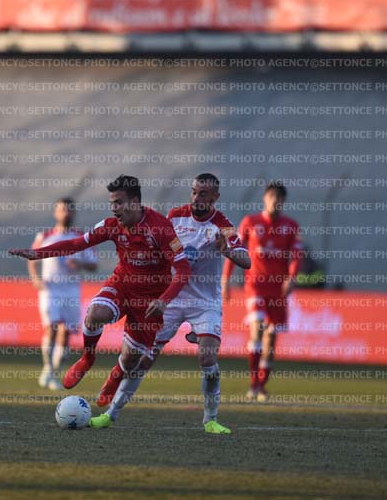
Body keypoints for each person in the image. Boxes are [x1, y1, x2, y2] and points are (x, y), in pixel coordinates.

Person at [10, 175, 191, 429]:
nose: (114, 208)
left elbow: (183, 270)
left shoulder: (160, 228)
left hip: (150, 302)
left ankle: (115, 375)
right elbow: (75, 244)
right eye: (112, 203)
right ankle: (87, 358)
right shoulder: (111, 225)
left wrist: (163, 301)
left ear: (135, 202)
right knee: (95, 313)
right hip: (122, 285)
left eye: (119, 203)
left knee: (130, 360)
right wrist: (38, 254)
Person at [96, 173, 251, 434]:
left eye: (203, 194)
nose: (196, 198)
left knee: (208, 357)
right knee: (143, 360)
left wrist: (226, 250)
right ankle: (110, 415)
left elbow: (246, 261)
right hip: (171, 297)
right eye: (194, 192)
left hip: (204, 302)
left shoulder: (223, 226)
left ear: (215, 197)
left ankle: (210, 420)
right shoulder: (175, 216)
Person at [220, 181, 302, 402]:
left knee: (271, 337)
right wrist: (225, 281)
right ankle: (253, 384)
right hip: (255, 285)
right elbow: (235, 250)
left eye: (279, 198)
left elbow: (297, 256)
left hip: (278, 289)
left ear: (284, 201)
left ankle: (262, 385)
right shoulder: (250, 222)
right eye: (272, 196)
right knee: (257, 328)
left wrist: (291, 277)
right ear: (265, 198)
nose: (275, 201)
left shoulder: (291, 226)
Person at [28, 197, 97, 390]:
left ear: (73, 213)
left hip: (71, 291)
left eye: (68, 210)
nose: (65, 213)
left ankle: (54, 372)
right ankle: (49, 369)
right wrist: (36, 279)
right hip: (50, 289)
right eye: (61, 210)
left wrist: (80, 263)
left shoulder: (82, 238)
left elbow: (94, 265)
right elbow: (32, 258)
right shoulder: (45, 236)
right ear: (55, 213)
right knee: (51, 327)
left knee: (65, 332)